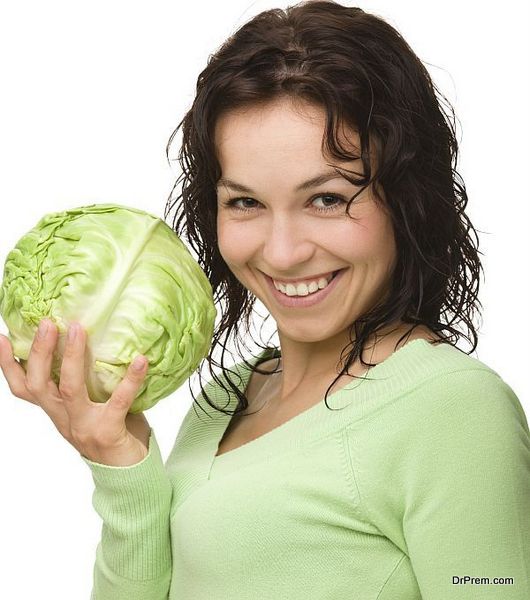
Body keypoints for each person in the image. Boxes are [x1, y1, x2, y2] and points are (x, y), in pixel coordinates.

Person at [0, 1, 528, 598]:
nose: (280, 253)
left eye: (327, 199)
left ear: (406, 202)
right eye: (245, 202)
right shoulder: (227, 397)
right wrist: (119, 463)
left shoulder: (454, 410)